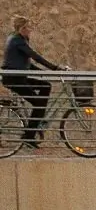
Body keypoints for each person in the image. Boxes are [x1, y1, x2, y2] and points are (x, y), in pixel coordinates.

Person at [4, 16, 62, 150]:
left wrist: (44, 72)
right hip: (14, 79)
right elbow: (34, 56)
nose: (30, 30)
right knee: (38, 103)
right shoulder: (17, 40)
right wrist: (54, 67)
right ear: (22, 28)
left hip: (18, 77)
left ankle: (38, 119)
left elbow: (27, 64)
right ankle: (29, 135)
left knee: (46, 85)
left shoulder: (18, 39)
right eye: (28, 27)